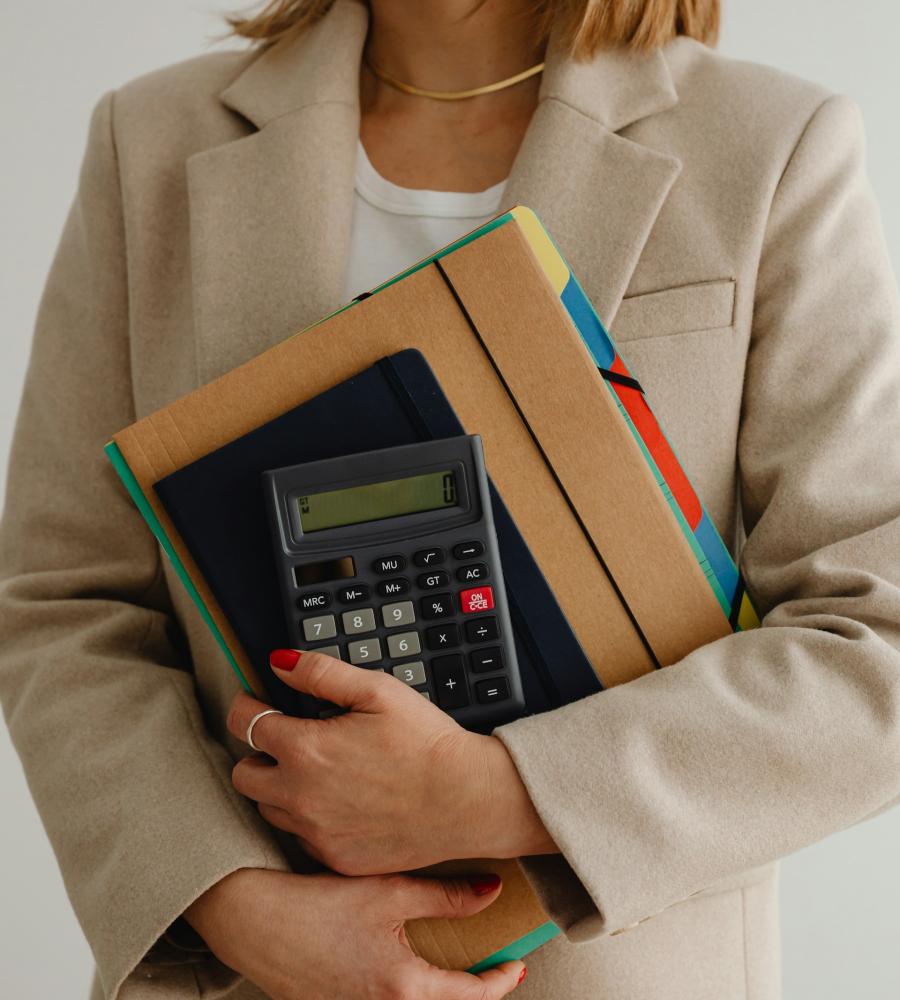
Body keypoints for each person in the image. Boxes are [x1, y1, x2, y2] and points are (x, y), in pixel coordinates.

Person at [2, 0, 899, 997]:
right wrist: (233, 904)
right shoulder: (150, 139)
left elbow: (879, 636)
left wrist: (499, 793)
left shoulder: (773, 143)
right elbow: (64, 598)